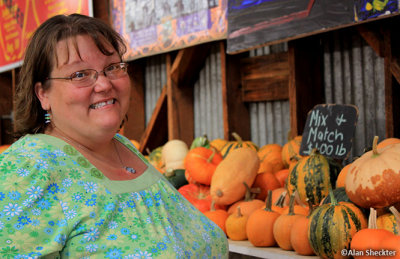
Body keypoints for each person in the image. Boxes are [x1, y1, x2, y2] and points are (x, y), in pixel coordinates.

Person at [0, 14, 228, 258]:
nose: (104, 84)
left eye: (112, 67)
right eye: (79, 74)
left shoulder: (122, 147)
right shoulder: (28, 169)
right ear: (43, 94)